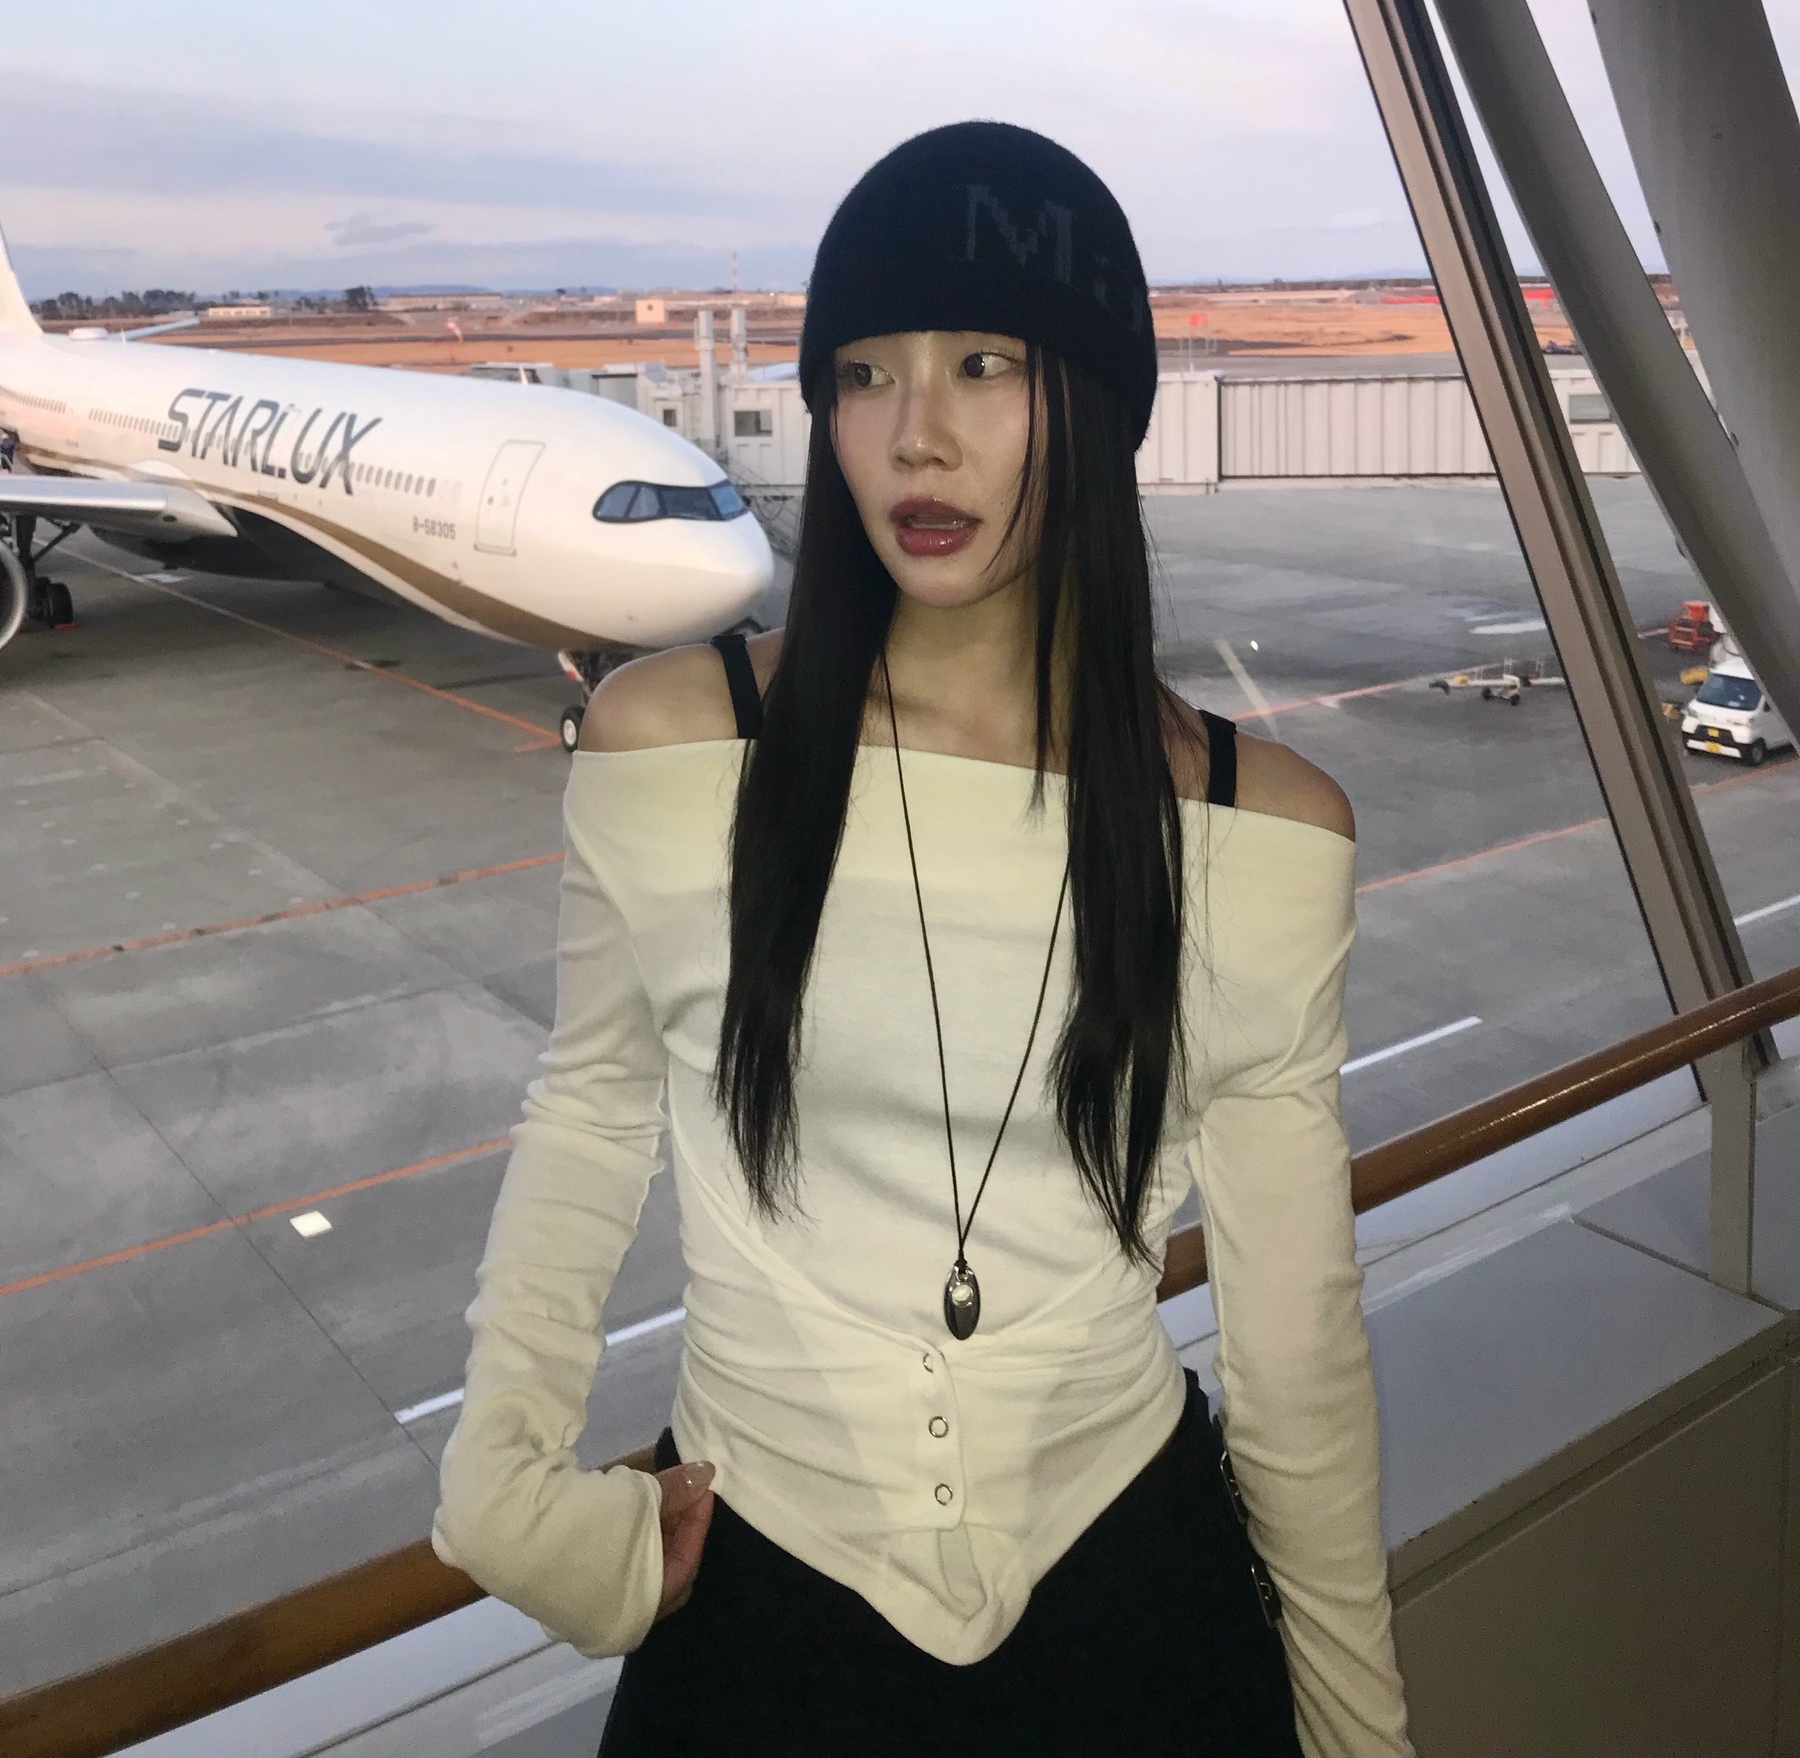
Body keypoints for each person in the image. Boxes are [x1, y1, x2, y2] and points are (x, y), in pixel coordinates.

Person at [433, 122, 1412, 1757]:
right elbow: (593, 1111)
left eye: (983, 366)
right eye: (864, 376)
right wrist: (501, 1492)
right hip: (756, 1608)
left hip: (1138, 1607)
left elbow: (1297, 1352)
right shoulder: (673, 746)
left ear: (1097, 407)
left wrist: (1362, 1738)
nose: (916, 437)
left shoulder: (1266, 834)